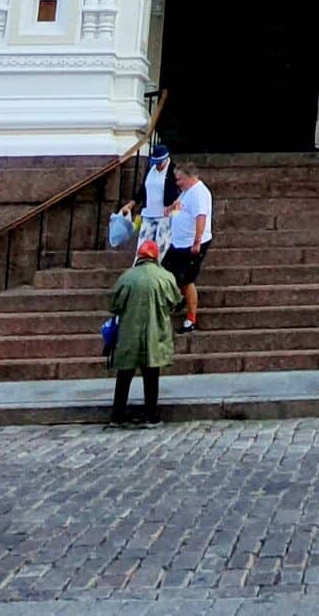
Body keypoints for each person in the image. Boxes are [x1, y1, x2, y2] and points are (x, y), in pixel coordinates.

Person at [107, 238, 180, 427]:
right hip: (155, 333)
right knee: (151, 374)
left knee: (124, 375)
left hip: (129, 333)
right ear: (155, 257)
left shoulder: (126, 277)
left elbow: (114, 305)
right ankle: (151, 415)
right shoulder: (165, 277)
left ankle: (118, 415)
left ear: (139, 256)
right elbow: (175, 301)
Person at [163, 161, 213, 334]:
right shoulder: (186, 192)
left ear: (189, 178)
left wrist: (197, 241)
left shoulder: (199, 193)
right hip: (178, 242)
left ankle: (190, 319)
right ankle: (180, 297)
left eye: (180, 179)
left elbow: (201, 217)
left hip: (192, 243)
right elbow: (180, 202)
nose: (177, 183)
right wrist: (171, 208)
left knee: (186, 279)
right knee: (167, 272)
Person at [120, 144, 173, 249]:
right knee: (143, 247)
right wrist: (131, 204)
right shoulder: (151, 169)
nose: (157, 166)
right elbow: (143, 189)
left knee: (161, 247)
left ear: (166, 159)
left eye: (159, 163)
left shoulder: (172, 171)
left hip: (165, 216)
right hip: (148, 214)